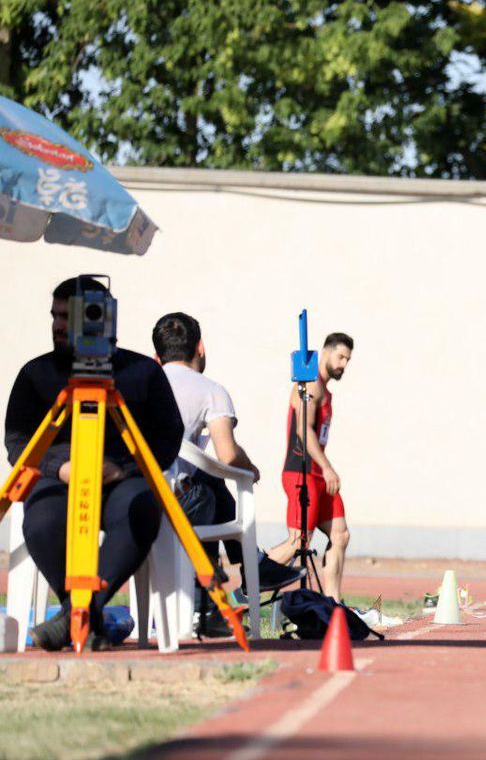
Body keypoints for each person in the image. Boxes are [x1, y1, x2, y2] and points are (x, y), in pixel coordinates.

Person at [4, 277, 184, 650]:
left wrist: (125, 469)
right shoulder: (35, 374)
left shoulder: (142, 373)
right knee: (41, 521)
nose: (56, 324)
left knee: (141, 510)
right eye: (53, 315)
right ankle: (88, 617)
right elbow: (18, 441)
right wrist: (60, 467)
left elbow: (168, 435)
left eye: (66, 316)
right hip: (59, 480)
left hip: (123, 479)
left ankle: (78, 614)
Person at [151, 312, 303, 636]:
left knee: (205, 483)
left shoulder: (141, 381)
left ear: (156, 355)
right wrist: (251, 467)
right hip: (177, 504)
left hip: (131, 496)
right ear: (201, 348)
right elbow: (228, 454)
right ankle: (244, 573)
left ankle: (241, 578)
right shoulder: (210, 390)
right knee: (205, 489)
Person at [269, 333, 354, 601]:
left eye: (348, 360)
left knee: (339, 534)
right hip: (300, 473)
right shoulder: (311, 386)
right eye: (340, 357)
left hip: (318, 474)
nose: (343, 364)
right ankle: (250, 580)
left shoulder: (325, 391)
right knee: (299, 543)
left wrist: (324, 470)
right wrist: (328, 468)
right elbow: (303, 432)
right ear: (326, 352)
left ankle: (333, 603)